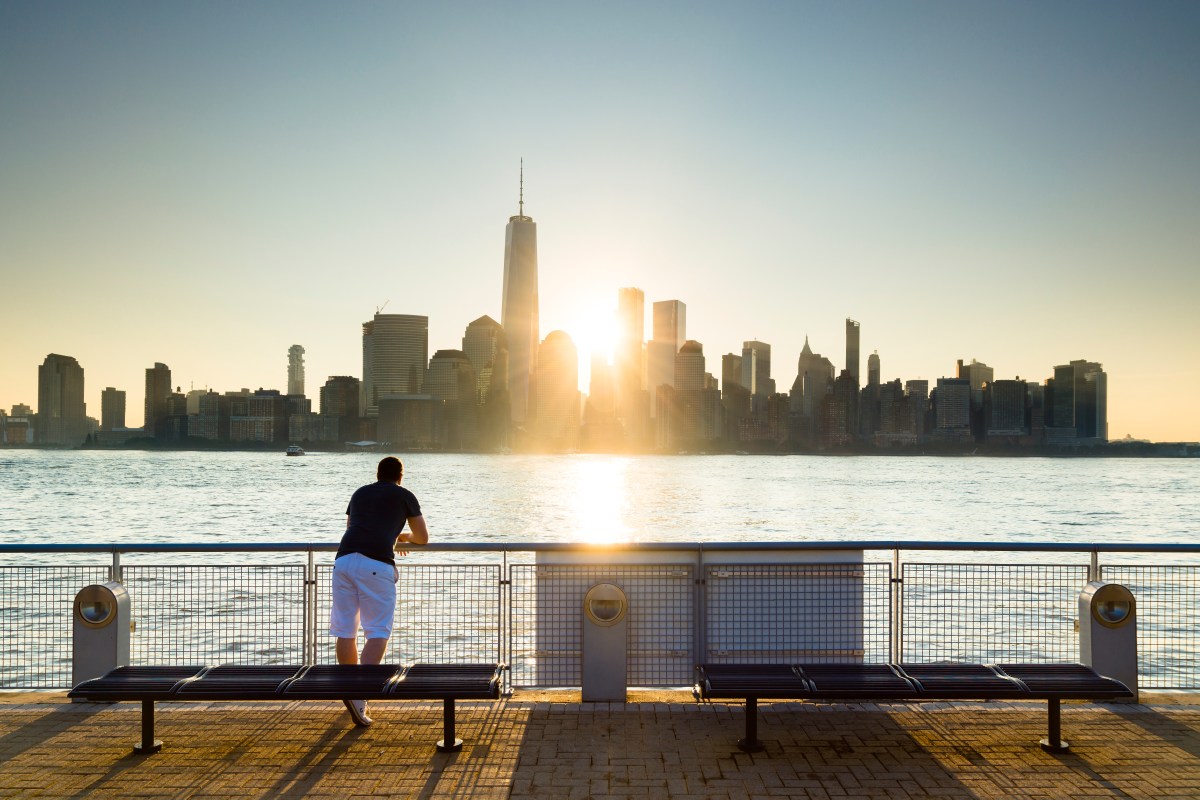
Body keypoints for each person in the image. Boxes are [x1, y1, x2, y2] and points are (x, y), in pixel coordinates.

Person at [329, 455, 429, 726]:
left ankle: (350, 691)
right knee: (377, 631)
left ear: (377, 474)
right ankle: (360, 695)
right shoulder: (405, 495)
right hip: (376, 565)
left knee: (345, 630)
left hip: (344, 560)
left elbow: (353, 528)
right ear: (400, 476)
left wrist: (391, 535)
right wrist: (401, 536)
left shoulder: (360, 493)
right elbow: (422, 537)